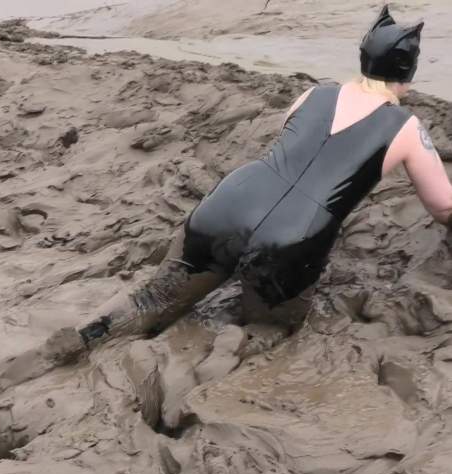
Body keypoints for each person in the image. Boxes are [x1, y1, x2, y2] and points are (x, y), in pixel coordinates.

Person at [77, 5, 452, 348]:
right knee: (270, 330)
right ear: (408, 71)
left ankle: (82, 338)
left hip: (230, 201)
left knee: (153, 297)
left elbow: (294, 143)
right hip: (292, 236)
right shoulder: (405, 127)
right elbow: (443, 206)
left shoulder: (312, 95)